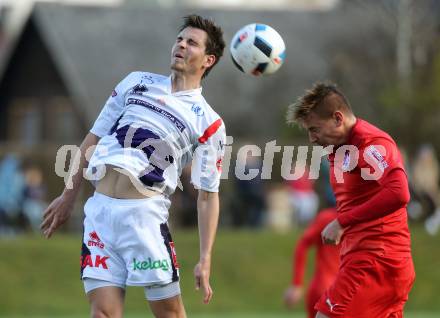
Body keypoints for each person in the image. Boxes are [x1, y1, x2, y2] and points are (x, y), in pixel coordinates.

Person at [41, 15, 226, 318]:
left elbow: (208, 195)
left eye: (191, 42)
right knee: (103, 313)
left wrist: (205, 258)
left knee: (169, 314)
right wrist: (68, 196)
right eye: (180, 39)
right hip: (99, 212)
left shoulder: (209, 121)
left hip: (143, 219)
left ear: (208, 60)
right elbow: (92, 140)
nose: (181, 44)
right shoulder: (136, 82)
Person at [286, 83, 415, 317]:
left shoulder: (370, 143)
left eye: (314, 129)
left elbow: (399, 192)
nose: (312, 138)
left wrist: (342, 221)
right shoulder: (339, 148)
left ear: (338, 118)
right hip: (374, 261)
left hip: (376, 260)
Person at [283, 207, 340, 318]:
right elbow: (303, 244)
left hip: (326, 287)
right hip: (334, 289)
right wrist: (297, 283)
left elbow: (303, 244)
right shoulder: (365, 219)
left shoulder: (328, 217)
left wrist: (297, 284)